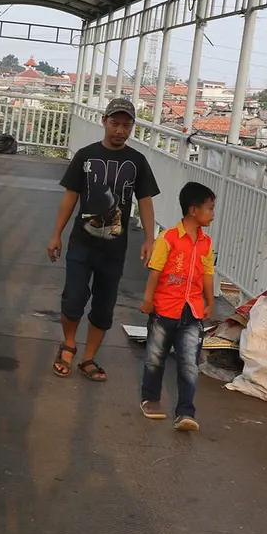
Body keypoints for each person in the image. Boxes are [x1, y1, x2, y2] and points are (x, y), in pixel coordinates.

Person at [47, 97, 159, 382]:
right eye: (114, 123)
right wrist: (56, 233)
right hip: (81, 243)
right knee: (73, 297)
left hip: (114, 249)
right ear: (104, 122)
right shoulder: (85, 156)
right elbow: (70, 196)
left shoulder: (137, 162)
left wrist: (149, 238)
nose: (120, 130)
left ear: (132, 127)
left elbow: (144, 200)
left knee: (104, 305)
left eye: (126, 125)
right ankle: (69, 344)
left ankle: (89, 358)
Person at [138, 181, 216, 431]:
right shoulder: (169, 238)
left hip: (192, 310)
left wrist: (210, 300)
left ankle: (185, 412)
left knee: (189, 362)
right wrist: (148, 299)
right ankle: (150, 399)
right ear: (193, 210)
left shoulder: (205, 242)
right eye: (210, 209)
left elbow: (207, 273)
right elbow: (155, 270)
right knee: (155, 357)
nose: (212, 214)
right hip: (164, 308)